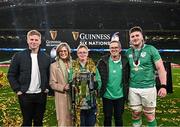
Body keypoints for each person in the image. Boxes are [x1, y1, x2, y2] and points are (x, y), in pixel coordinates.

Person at [7, 30, 51, 126]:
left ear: (40, 41)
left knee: (38, 122)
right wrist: (17, 89)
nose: (33, 42)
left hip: (41, 95)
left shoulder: (46, 57)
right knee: (26, 122)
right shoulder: (18, 56)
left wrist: (47, 87)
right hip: (25, 95)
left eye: (36, 40)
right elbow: (11, 74)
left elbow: (50, 75)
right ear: (27, 40)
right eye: (31, 39)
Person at [126, 26, 167, 127]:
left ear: (142, 37)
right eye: (132, 36)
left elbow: (160, 68)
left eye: (137, 35)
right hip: (133, 88)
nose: (135, 38)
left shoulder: (151, 49)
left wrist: (163, 86)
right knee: (135, 114)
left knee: (149, 115)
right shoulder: (128, 52)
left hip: (148, 88)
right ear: (130, 39)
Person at [97, 33, 129, 126]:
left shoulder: (125, 62)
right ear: (109, 49)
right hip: (107, 95)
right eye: (111, 48)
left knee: (118, 117)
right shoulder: (102, 61)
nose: (113, 49)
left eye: (116, 48)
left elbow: (128, 77)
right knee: (107, 117)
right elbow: (96, 76)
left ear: (120, 49)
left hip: (120, 95)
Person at [70, 44, 101, 126]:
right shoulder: (73, 66)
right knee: (80, 124)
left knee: (91, 124)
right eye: (80, 52)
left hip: (91, 102)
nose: (82, 54)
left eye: (84, 52)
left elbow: (99, 81)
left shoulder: (93, 66)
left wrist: (96, 85)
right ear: (77, 54)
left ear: (87, 53)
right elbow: (69, 80)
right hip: (78, 102)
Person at [49, 42, 73, 126]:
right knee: (62, 121)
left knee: (73, 119)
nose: (63, 53)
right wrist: (64, 87)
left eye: (65, 51)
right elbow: (52, 83)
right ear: (58, 53)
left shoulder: (73, 64)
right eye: (61, 51)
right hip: (61, 96)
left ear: (68, 52)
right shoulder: (54, 66)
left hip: (74, 96)